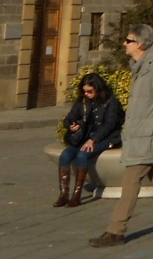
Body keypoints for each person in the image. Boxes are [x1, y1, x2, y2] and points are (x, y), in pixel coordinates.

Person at [89, 25, 153, 247]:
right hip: (141, 133)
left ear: (139, 44)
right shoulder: (142, 67)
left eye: (128, 40)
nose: (124, 44)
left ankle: (116, 230)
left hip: (149, 133)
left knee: (131, 180)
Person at [56, 72, 123, 207]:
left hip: (105, 137)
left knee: (82, 155)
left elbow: (109, 124)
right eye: (84, 91)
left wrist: (93, 139)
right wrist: (71, 125)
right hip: (84, 136)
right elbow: (70, 117)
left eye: (90, 91)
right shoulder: (82, 101)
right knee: (65, 155)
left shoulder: (110, 101)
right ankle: (63, 194)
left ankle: (77, 195)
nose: (86, 94)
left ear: (97, 88)